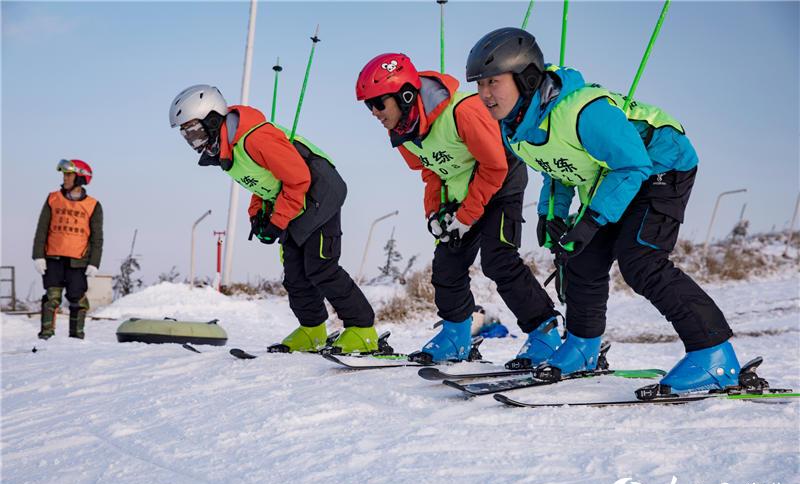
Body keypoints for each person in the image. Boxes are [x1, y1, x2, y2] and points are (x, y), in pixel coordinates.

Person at [466, 27, 743, 397]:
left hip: (661, 162)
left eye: (493, 82)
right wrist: (554, 214)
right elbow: (556, 168)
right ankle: (582, 347)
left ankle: (714, 357)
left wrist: (593, 219)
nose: (484, 94)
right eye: (480, 84)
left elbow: (632, 164)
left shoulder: (583, 110)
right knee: (582, 258)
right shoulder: (516, 127)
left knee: (640, 259)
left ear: (526, 77)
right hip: (617, 175)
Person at [355, 53, 560, 366]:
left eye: (379, 103)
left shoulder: (462, 112)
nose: (373, 113)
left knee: (499, 260)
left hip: (502, 182)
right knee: (447, 264)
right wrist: (435, 213)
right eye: (368, 106)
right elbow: (431, 171)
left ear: (404, 95)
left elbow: (495, 166)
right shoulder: (402, 132)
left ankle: (545, 334)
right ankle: (455, 336)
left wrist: (465, 218)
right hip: (461, 192)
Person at [169, 85, 379, 354]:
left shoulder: (256, 139)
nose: (193, 141)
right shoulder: (227, 149)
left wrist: (278, 221)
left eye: (194, 131)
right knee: (294, 273)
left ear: (212, 119)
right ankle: (312, 330)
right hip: (295, 199)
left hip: (319, 191)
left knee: (320, 266)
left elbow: (298, 178)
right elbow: (263, 183)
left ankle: (363, 330)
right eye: (187, 135)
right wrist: (257, 214)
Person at [32, 159, 102, 340]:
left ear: (80, 178)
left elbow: (97, 237)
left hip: (78, 262)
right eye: (64, 174)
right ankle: (46, 337)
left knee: (78, 301)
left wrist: (94, 262)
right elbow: (42, 229)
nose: (65, 178)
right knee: (51, 298)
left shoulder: (93, 205)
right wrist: (38, 256)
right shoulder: (53, 199)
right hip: (53, 258)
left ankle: (76, 339)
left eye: (69, 174)